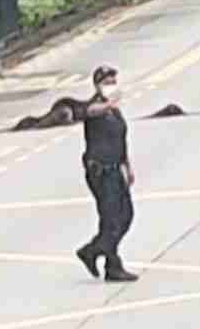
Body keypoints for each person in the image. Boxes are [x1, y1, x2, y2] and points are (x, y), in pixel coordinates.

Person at [76, 65, 139, 282]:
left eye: (113, 81)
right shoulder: (95, 106)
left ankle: (94, 251)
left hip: (116, 168)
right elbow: (89, 112)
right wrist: (108, 104)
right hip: (101, 172)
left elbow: (120, 139)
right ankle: (110, 264)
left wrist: (127, 166)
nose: (111, 85)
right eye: (106, 82)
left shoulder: (115, 112)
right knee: (111, 219)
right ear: (97, 85)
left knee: (126, 216)